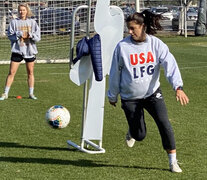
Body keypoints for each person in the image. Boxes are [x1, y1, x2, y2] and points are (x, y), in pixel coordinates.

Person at [107, 10, 189, 173]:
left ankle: (173, 161)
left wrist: (178, 87)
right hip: (130, 98)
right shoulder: (122, 47)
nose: (129, 32)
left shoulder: (156, 44)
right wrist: (112, 94)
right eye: (128, 29)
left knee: (164, 124)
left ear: (142, 26)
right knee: (140, 135)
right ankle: (133, 131)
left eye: (133, 28)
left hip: (152, 94)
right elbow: (115, 71)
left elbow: (170, 65)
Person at [0, 3, 41, 100]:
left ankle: (31, 93)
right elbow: (10, 36)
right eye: (20, 10)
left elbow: (38, 38)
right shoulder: (14, 22)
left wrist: (30, 35)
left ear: (27, 11)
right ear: (18, 11)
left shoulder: (33, 22)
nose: (21, 12)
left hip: (30, 51)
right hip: (17, 51)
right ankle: (5, 93)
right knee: (11, 72)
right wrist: (17, 35)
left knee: (30, 72)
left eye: (23, 10)